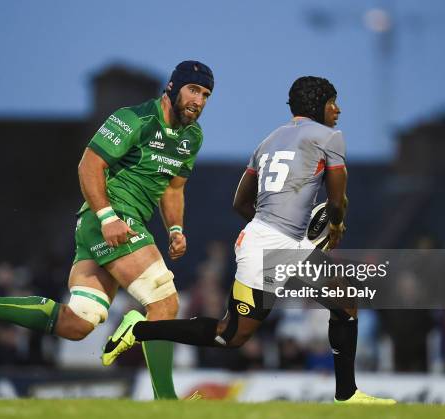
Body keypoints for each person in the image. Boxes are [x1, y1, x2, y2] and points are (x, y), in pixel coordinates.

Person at [102, 76, 395, 404]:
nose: (337, 110)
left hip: (264, 239)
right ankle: (139, 330)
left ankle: (347, 394)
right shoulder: (330, 137)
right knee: (233, 335)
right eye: (332, 102)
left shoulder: (268, 141)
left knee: (333, 303)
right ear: (317, 105)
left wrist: (271, 228)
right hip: (277, 243)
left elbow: (240, 203)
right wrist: (336, 227)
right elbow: (337, 201)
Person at [0, 60, 214, 400]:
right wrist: (108, 216)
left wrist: (176, 228)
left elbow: (172, 189)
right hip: (110, 220)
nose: (199, 100)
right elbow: (89, 165)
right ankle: (166, 402)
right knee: (164, 300)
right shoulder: (134, 119)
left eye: (206, 94)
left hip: (114, 226)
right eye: (193, 90)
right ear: (172, 87)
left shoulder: (192, 138)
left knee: (79, 322)